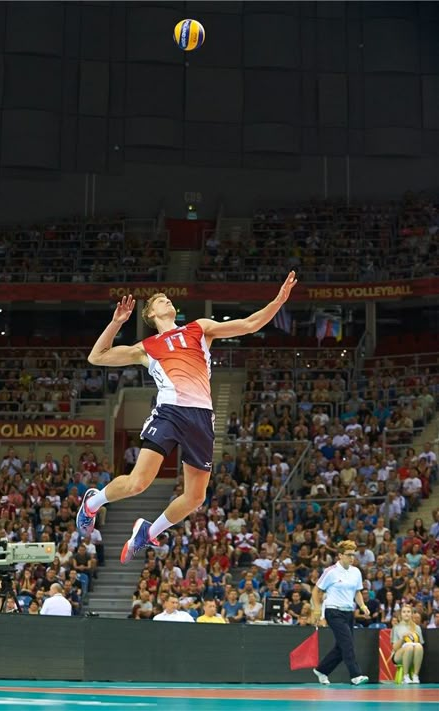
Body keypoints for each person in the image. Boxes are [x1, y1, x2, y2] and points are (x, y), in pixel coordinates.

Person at [76, 275, 297, 561]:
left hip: (202, 417)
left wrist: (278, 300)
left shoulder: (199, 328)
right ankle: (92, 503)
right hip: (170, 411)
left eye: (167, 298)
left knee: (196, 497)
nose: (167, 299)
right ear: (152, 313)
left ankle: (148, 531)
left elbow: (249, 324)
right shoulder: (146, 346)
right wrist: (117, 322)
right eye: (159, 300)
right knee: (137, 483)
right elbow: (97, 356)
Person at [311, 540, 370, 685]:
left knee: (341, 646)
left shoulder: (356, 572)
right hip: (333, 611)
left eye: (353, 555)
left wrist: (362, 606)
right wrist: (317, 608)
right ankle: (355, 676)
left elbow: (357, 592)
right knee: (348, 644)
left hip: (349, 613)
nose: (352, 558)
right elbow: (316, 590)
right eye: (348, 555)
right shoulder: (330, 572)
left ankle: (322, 670)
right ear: (340, 555)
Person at [390, 604, 424, 683]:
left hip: (414, 654)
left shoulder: (417, 628)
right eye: (404, 612)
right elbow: (394, 648)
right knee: (409, 647)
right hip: (398, 655)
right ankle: (405, 676)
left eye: (408, 612)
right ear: (401, 614)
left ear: (412, 614)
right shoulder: (396, 628)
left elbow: (420, 644)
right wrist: (402, 638)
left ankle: (415, 676)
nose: (406, 613)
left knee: (418, 646)